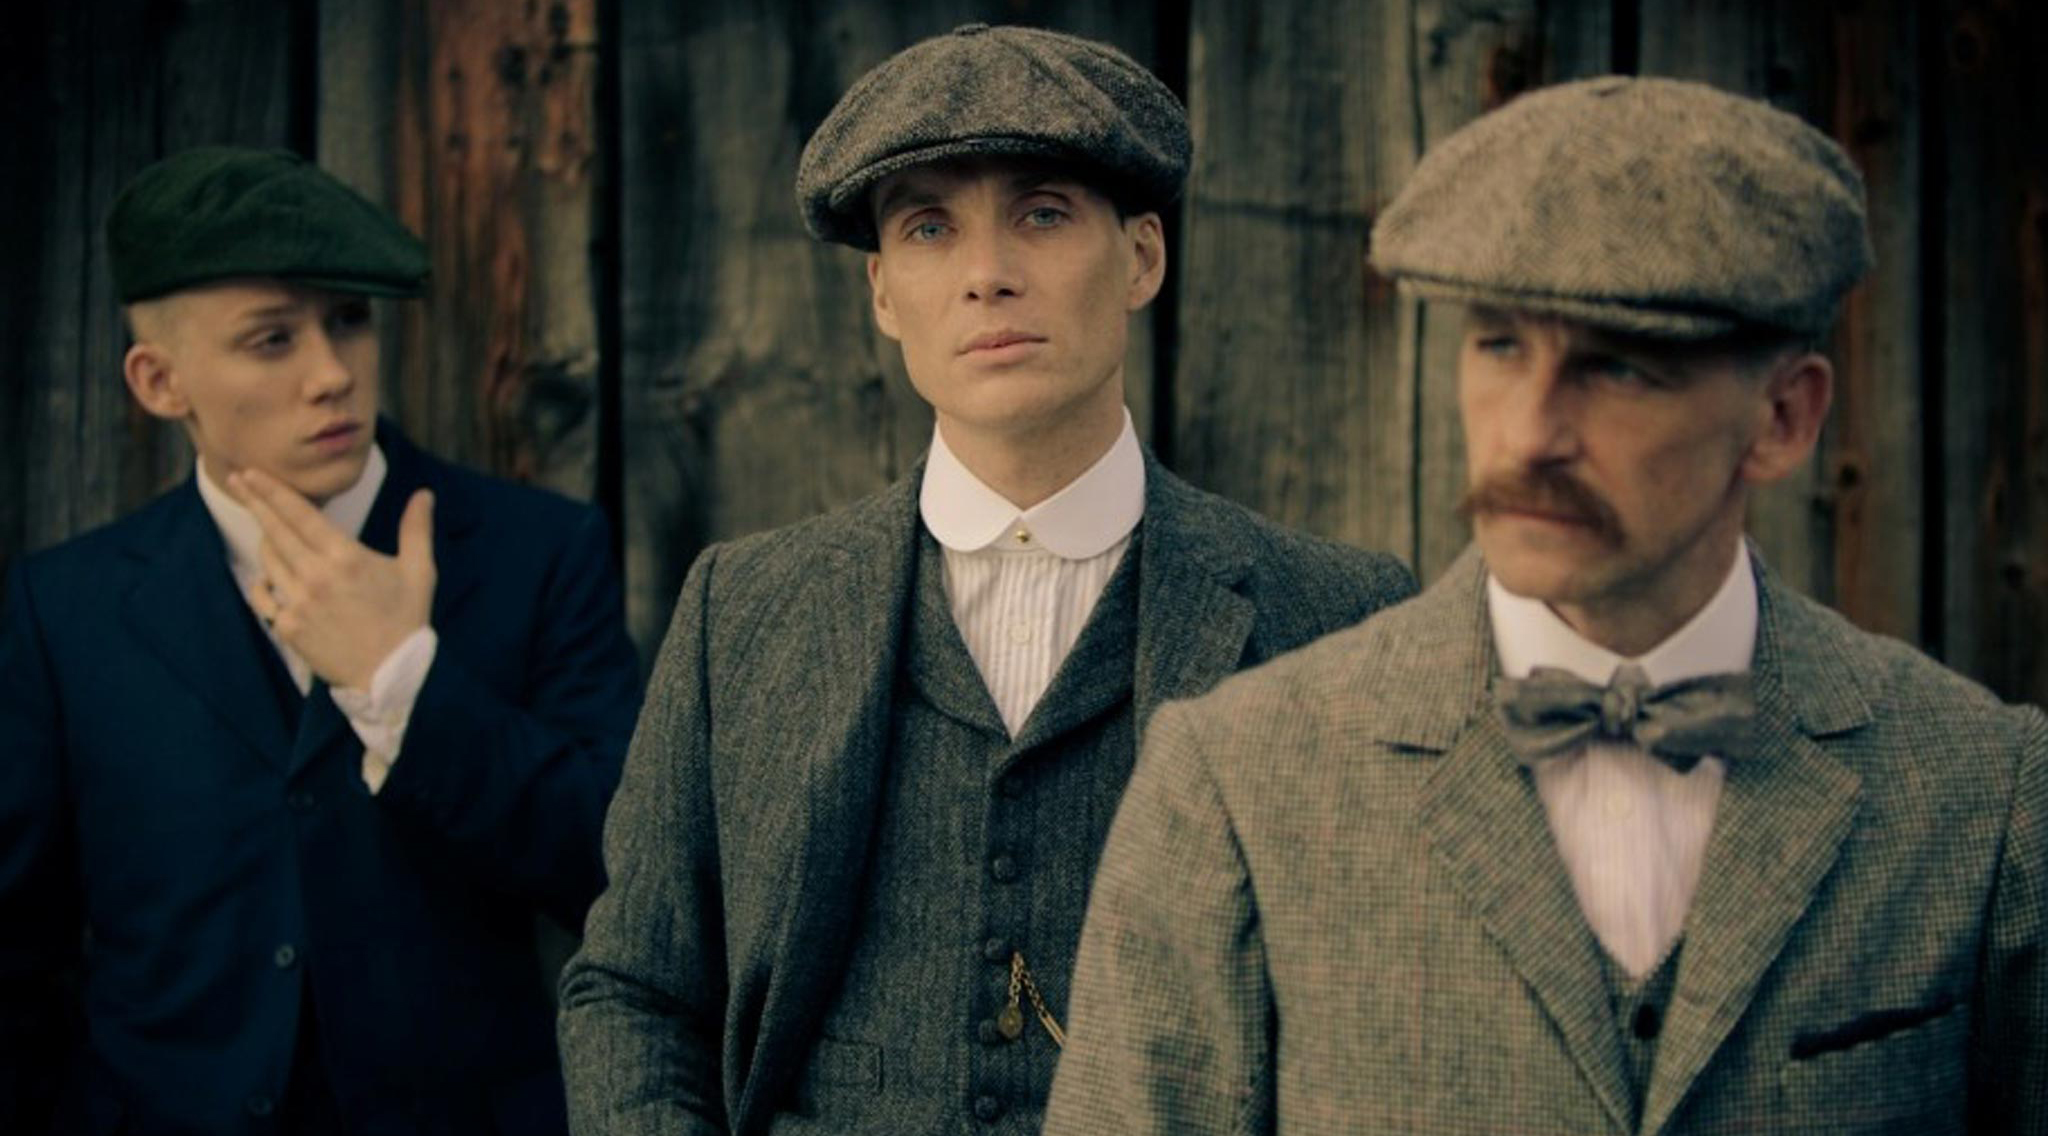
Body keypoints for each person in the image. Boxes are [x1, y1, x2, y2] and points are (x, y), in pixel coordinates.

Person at [1043, 76, 2044, 1135]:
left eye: (1617, 368)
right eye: (1499, 346)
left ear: (1783, 418)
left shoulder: (1985, 790)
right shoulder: (1236, 780)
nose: (1527, 436)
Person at [556, 23, 1416, 1136]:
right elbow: (635, 990)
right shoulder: (744, 609)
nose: (986, 274)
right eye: (929, 227)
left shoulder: (1339, 616)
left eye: (1042, 214)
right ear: (881, 293)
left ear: (1142, 258)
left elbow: (1399, 1024)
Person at [0, 147, 644, 1135]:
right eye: (271, 340)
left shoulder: (538, 550)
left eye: (348, 319)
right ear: (160, 381)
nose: (333, 374)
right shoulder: (65, 607)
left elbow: (623, 873)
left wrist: (404, 683)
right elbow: (17, 951)